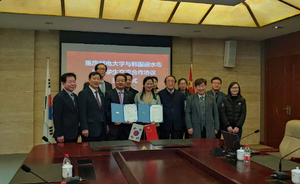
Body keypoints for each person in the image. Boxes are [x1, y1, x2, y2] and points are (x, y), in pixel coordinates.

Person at [78, 72, 108, 142]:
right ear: (89, 80)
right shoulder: (83, 93)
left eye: (98, 79)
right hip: (89, 128)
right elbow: (82, 112)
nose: (96, 81)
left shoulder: (101, 93)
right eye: (94, 79)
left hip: (102, 128)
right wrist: (84, 128)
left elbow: (102, 110)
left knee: (101, 150)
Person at [105, 73, 135, 140]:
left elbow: (132, 108)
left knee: (126, 148)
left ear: (125, 82)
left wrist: (131, 119)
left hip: (126, 127)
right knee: (113, 148)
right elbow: (106, 109)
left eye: (122, 81)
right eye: (118, 81)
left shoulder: (130, 94)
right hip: (114, 127)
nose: (120, 82)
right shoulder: (109, 93)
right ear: (115, 82)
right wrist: (113, 120)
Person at [53, 73, 79, 143]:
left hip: (74, 133)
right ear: (63, 83)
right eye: (70, 82)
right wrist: (59, 134)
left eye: (74, 81)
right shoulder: (59, 97)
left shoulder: (75, 96)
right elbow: (57, 117)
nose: (73, 84)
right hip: (64, 134)